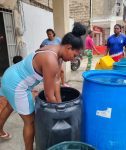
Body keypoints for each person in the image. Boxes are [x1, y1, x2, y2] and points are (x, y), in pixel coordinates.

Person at [0, 22, 86, 150]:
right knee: (30, 121)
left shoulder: (57, 50)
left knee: (9, 105)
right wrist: (60, 113)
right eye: (74, 55)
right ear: (68, 47)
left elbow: (56, 81)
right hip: (17, 84)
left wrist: (60, 102)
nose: (74, 59)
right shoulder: (51, 60)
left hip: (10, 75)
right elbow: (48, 95)